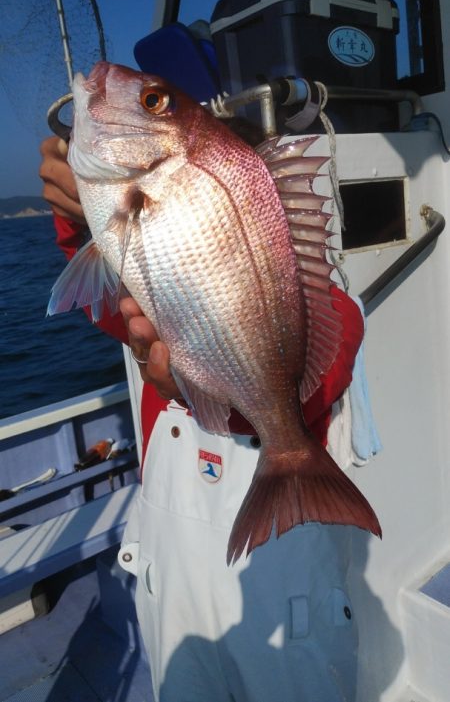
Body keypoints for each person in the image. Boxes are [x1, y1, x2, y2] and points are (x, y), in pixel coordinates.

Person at [40, 133, 365, 702]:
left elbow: (325, 366)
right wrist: (82, 220)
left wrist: (229, 404)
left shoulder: (332, 308)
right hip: (176, 588)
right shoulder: (158, 272)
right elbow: (103, 295)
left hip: (283, 588)